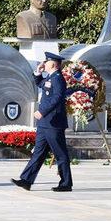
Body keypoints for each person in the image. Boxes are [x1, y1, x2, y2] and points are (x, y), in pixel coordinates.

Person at [12, 52, 73, 192]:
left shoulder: (58, 78)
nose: (43, 63)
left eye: (46, 62)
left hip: (53, 123)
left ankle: (66, 183)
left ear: (52, 64)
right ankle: (26, 180)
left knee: (60, 154)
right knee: (38, 153)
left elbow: (57, 98)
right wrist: (38, 73)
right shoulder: (51, 77)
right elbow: (41, 84)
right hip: (45, 124)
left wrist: (42, 111)